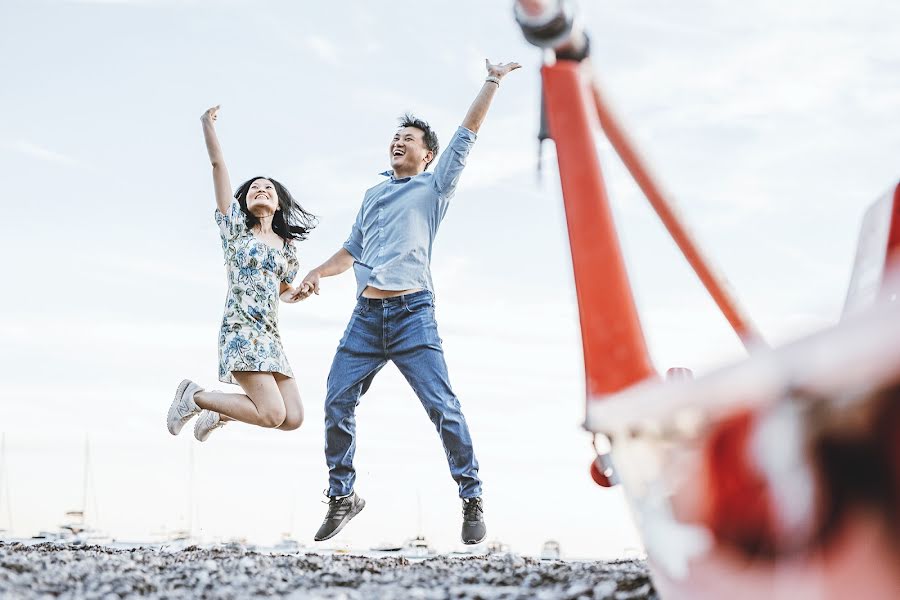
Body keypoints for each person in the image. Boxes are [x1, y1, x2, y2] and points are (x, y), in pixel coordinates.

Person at [294, 59, 521, 544]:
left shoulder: (434, 187)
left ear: (427, 155)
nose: (399, 142)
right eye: (395, 137)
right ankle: (342, 495)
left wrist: (492, 80)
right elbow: (351, 250)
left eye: (410, 139)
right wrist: (317, 272)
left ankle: (471, 494)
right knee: (336, 400)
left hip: (412, 314)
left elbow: (467, 132)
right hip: (365, 319)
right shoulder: (374, 194)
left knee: (443, 406)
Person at [166, 105, 317, 442]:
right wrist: (207, 125)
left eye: (268, 189)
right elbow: (218, 165)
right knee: (272, 413)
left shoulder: (287, 248)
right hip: (241, 329)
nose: (260, 190)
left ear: (278, 204)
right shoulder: (235, 230)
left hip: (271, 336)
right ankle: (193, 395)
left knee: (292, 418)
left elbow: (282, 290)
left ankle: (218, 411)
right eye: (253, 189)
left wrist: (299, 293)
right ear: (244, 202)